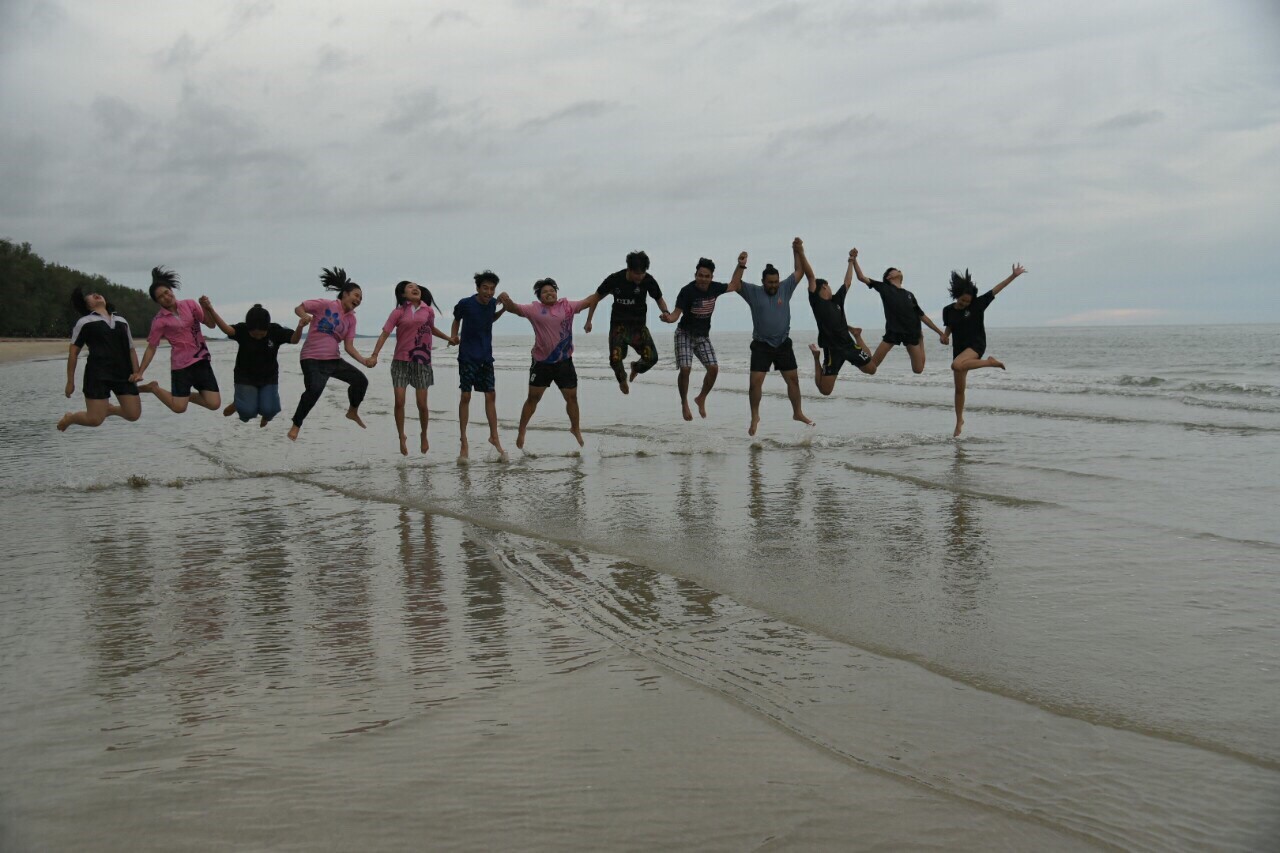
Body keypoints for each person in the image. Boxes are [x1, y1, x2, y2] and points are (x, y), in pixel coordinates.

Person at [497, 278, 602, 450]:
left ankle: (575, 428)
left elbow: (590, 300)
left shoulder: (567, 306)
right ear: (539, 296)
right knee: (533, 399)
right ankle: (522, 430)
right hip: (541, 363)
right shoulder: (534, 309)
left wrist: (604, 291)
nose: (549, 293)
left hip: (564, 362)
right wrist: (504, 297)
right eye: (545, 292)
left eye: (552, 290)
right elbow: (513, 308)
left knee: (572, 397)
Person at [287, 267, 376, 442]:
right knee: (315, 389)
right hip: (311, 358)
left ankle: (352, 411)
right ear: (345, 294)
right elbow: (299, 307)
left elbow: (349, 346)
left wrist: (364, 361)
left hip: (333, 360)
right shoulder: (325, 304)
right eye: (356, 295)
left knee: (361, 381)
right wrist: (304, 316)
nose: (358, 300)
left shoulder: (351, 319)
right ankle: (296, 424)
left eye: (361, 298)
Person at [737, 239, 814, 436]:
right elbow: (735, 284)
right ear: (763, 281)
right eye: (770, 282)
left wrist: (796, 250)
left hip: (782, 343)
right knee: (755, 383)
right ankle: (755, 416)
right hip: (761, 344)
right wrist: (741, 265)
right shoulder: (753, 292)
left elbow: (799, 271)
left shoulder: (785, 288)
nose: (773, 285)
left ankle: (797, 412)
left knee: (793, 380)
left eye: (775, 282)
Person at [942, 264, 1028, 436]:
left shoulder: (977, 304)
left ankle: (989, 362)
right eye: (962, 300)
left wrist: (1013, 276)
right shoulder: (948, 310)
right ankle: (959, 421)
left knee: (956, 365)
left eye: (968, 301)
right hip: (959, 349)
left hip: (976, 345)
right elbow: (950, 326)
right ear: (957, 296)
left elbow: (997, 289)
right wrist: (945, 335)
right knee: (959, 389)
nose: (965, 303)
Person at [369, 281, 452, 455]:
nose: (415, 289)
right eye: (410, 287)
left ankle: (424, 434)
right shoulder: (398, 312)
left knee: (422, 404)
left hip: (422, 361)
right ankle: (402, 436)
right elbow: (385, 333)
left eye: (417, 287)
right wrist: (375, 355)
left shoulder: (428, 310)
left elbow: (431, 328)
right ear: (403, 294)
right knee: (399, 401)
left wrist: (449, 339)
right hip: (400, 361)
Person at [131, 266, 222, 413]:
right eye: (161, 297)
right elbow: (151, 348)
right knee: (179, 408)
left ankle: (182, 396)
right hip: (181, 367)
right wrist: (140, 372)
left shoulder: (190, 305)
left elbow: (211, 325)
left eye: (167, 292)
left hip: (201, 361)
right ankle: (154, 388)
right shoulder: (159, 321)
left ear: (171, 290)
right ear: (157, 301)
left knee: (214, 404)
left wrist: (205, 307)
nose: (166, 297)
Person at [661, 257, 742, 420]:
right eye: (700, 275)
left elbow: (734, 284)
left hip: (702, 336)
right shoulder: (687, 291)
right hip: (684, 334)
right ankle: (684, 403)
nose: (703, 279)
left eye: (707, 276)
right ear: (695, 275)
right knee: (685, 369)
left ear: (711, 277)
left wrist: (741, 265)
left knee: (713, 369)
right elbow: (676, 314)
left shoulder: (715, 288)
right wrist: (668, 318)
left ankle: (701, 398)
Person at [584, 250, 671, 394]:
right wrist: (589, 321)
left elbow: (659, 299)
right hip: (618, 327)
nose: (640, 277)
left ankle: (635, 367)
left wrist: (666, 312)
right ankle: (622, 379)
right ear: (629, 269)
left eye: (642, 273)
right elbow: (596, 297)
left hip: (638, 327)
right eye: (637, 273)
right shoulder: (615, 279)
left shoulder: (648, 280)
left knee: (652, 358)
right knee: (615, 358)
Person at [205, 303, 305, 427]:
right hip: (245, 377)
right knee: (247, 412)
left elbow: (294, 340)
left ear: (267, 327)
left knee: (270, 410)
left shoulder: (275, 331)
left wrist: (300, 326)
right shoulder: (242, 330)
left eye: (261, 334)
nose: (258, 337)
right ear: (248, 328)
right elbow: (226, 329)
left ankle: (265, 416)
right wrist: (210, 310)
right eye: (254, 334)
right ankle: (238, 404)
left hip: (268, 377)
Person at [57, 288, 142, 431]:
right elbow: (73, 353)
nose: (95, 295)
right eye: (90, 296)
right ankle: (70, 418)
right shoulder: (85, 322)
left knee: (133, 414)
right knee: (95, 420)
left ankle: (109, 409)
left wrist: (137, 372)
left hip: (123, 374)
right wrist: (70, 382)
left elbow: (131, 350)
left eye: (97, 293)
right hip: (97, 375)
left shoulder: (122, 321)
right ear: (87, 305)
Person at [850, 248, 945, 373]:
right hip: (893, 331)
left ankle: (921, 339)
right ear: (889, 277)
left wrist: (940, 333)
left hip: (911, 332)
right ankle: (857, 336)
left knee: (918, 369)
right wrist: (854, 260)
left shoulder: (909, 295)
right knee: (871, 368)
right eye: (895, 270)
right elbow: (861, 277)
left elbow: (923, 316)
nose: (898, 270)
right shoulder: (884, 287)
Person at [450, 270, 507, 459]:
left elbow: (490, 318)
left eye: (492, 289)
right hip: (467, 356)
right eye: (485, 288)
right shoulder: (465, 303)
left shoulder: (492, 303)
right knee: (466, 396)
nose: (489, 292)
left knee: (491, 395)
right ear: (477, 288)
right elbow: (456, 320)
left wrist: (503, 309)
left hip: (485, 357)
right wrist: (454, 336)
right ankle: (463, 440)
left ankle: (494, 436)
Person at [807, 249, 876, 396]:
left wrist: (851, 260)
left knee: (872, 369)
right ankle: (816, 358)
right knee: (825, 390)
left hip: (848, 345)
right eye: (829, 286)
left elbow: (847, 282)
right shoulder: (817, 303)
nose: (830, 288)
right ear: (824, 286)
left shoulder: (837, 300)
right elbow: (810, 277)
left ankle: (857, 335)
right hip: (833, 350)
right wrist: (800, 251)